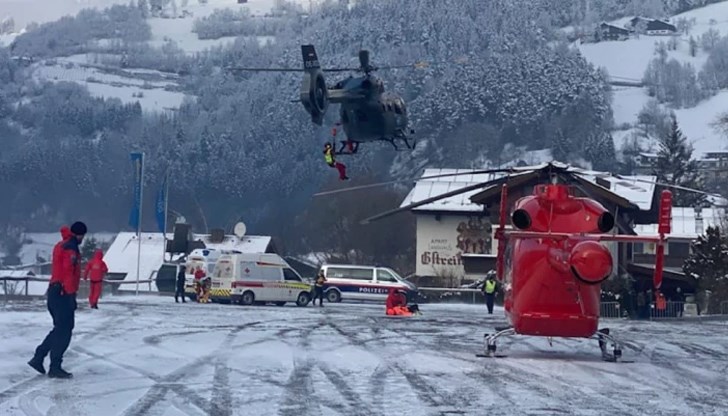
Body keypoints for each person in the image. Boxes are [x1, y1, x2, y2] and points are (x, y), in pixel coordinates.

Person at [28, 221, 87, 379]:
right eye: (82, 236)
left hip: (55, 291)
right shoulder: (70, 248)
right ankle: (53, 365)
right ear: (79, 234)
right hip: (62, 293)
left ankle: (39, 357)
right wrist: (70, 295)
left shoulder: (61, 245)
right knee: (64, 331)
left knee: (60, 329)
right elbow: (69, 272)